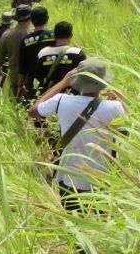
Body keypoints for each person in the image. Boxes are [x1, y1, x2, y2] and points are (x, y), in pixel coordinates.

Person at [30, 59, 125, 209]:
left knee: (72, 218)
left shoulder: (61, 101)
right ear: (102, 81)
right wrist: (122, 100)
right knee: (101, 221)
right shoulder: (114, 107)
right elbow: (125, 136)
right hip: (102, 180)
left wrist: (63, 83)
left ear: (78, 80)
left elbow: (33, 111)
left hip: (69, 178)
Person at [36, 21, 87, 94]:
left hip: (49, 96)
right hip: (72, 96)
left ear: (54, 35)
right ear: (71, 35)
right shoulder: (78, 53)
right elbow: (84, 79)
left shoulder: (43, 53)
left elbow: (38, 78)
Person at [18, 6, 56, 100]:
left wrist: (20, 85)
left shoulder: (26, 40)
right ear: (47, 19)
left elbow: (22, 67)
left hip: (33, 82)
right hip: (53, 80)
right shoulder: (55, 36)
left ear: (31, 20)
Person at [0, 6, 33, 94]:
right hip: (32, 76)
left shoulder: (7, 34)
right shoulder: (33, 34)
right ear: (30, 18)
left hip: (15, 76)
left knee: (15, 99)